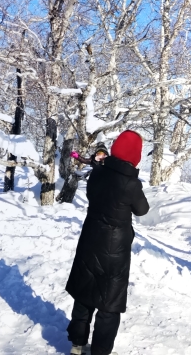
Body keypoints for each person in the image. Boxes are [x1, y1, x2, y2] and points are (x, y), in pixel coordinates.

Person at [63, 130, 150, 355]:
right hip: (114, 249)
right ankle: (100, 351)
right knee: (108, 302)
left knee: (85, 292)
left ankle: (77, 345)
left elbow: (95, 196)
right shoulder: (130, 183)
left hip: (90, 238)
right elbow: (142, 209)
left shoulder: (98, 173)